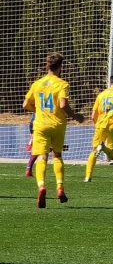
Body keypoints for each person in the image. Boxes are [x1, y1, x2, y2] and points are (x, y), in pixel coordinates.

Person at [22, 53, 85, 208]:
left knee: (42, 157)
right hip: (57, 125)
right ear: (60, 67)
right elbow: (63, 105)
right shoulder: (62, 84)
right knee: (57, 155)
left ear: (47, 65)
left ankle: (42, 186)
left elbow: (25, 105)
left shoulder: (37, 83)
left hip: (41, 125)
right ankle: (60, 187)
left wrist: (37, 110)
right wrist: (75, 116)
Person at [85, 74, 113, 182]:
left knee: (94, 151)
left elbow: (93, 115)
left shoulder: (101, 95)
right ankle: (103, 148)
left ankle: (88, 177)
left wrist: (97, 125)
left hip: (100, 124)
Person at [24, 112, 36, 177]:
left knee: (38, 149)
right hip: (43, 123)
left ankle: (29, 169)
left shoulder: (37, 102)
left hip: (33, 123)